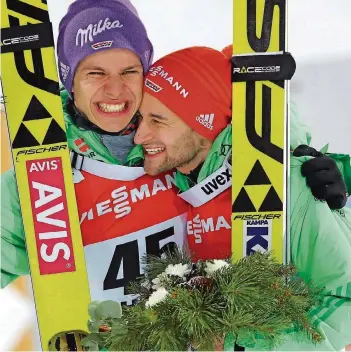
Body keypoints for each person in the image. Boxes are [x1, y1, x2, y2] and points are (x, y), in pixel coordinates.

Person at [134, 45, 351, 350]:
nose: (139, 135)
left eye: (158, 120)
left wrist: (246, 346)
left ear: (203, 125)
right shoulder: (185, 176)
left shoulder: (285, 182)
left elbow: (344, 300)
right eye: (140, 118)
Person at [1, 0, 188, 306]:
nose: (115, 90)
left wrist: (293, 155)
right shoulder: (35, 180)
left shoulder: (184, 142)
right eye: (95, 73)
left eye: (129, 71)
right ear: (70, 81)